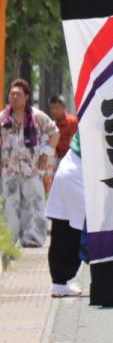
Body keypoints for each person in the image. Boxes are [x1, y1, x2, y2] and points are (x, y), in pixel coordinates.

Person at [0, 78, 58, 247]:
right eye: (12, 94)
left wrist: (45, 154)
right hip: (9, 169)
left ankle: (32, 239)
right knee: (9, 205)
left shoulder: (37, 116)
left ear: (26, 97)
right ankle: (9, 241)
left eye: (18, 94)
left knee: (33, 205)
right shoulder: (3, 117)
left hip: (32, 168)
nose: (14, 97)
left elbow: (54, 133)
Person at [45, 133, 85, 297]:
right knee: (73, 232)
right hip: (79, 172)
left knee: (64, 229)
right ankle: (60, 282)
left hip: (69, 168)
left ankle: (59, 282)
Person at [47, 95, 78, 165]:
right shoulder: (52, 124)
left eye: (57, 107)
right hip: (57, 159)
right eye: (52, 108)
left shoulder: (72, 121)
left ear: (64, 107)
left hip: (71, 159)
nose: (54, 111)